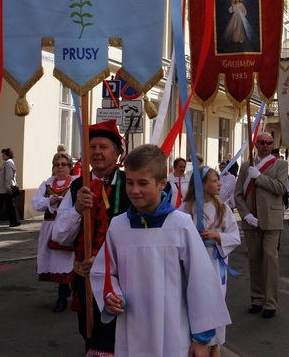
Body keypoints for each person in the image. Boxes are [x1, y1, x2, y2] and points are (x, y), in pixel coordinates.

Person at [90, 145, 231, 356]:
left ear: (161, 184)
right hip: (131, 327)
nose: (134, 190)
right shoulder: (119, 226)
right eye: (130, 182)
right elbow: (104, 272)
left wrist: (202, 338)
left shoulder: (180, 225)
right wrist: (112, 295)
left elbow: (201, 281)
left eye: (143, 183)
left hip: (174, 330)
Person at [53, 119, 131, 355]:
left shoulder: (131, 184)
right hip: (85, 278)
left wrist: (102, 259)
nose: (97, 152)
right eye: (92, 147)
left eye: (103, 147)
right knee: (91, 333)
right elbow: (61, 236)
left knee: (121, 334)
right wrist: (77, 210)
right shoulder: (77, 187)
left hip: (123, 277)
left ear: (117, 152)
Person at [180, 166, 240, 355]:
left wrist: (216, 235)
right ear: (202, 186)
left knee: (215, 301)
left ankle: (215, 345)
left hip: (214, 263)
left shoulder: (222, 208)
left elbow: (235, 237)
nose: (219, 184)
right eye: (214, 181)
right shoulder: (186, 208)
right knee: (194, 300)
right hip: (192, 265)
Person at [234, 132, 288, 318]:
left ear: (272, 144)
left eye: (269, 142)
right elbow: (238, 194)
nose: (265, 145)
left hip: (271, 220)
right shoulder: (245, 166)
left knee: (270, 259)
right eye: (262, 142)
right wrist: (246, 215)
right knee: (254, 261)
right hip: (252, 220)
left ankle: (270, 302)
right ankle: (257, 299)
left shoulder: (280, 164)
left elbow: (281, 188)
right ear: (255, 144)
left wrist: (260, 177)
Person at [32, 148, 77, 312]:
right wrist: (50, 200)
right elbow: (36, 203)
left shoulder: (76, 182)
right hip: (50, 227)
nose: (60, 168)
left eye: (64, 165)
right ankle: (62, 292)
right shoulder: (47, 184)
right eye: (57, 165)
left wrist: (66, 201)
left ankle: (67, 293)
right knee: (55, 259)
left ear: (69, 167)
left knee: (68, 259)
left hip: (69, 227)